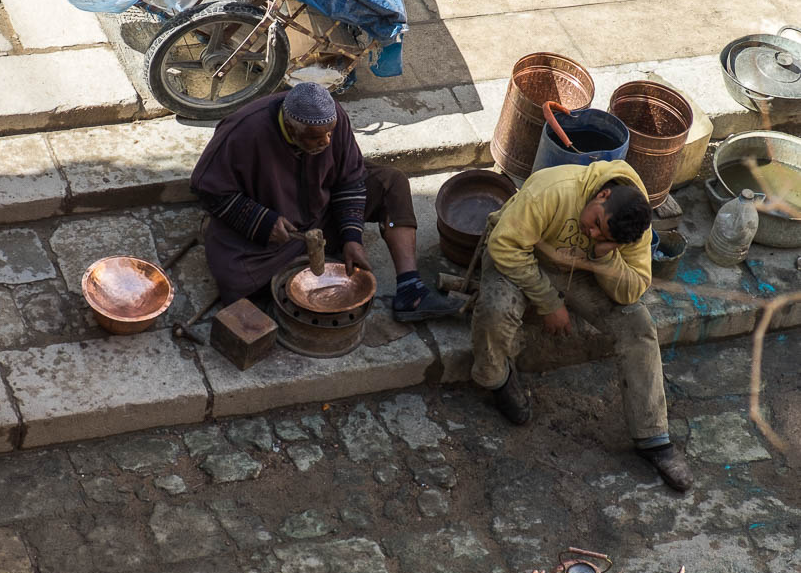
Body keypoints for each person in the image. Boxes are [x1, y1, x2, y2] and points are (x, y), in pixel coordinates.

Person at [470, 160, 693, 492]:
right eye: (595, 223)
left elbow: (633, 290)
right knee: (496, 307)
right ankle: (498, 380)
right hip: (521, 256)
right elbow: (505, 245)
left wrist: (606, 256)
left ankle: (653, 439)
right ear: (602, 195)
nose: (593, 233)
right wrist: (548, 301)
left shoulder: (634, 226)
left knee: (638, 325)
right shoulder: (553, 190)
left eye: (604, 234)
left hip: (580, 272)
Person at [190, 82, 462, 321]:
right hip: (275, 234)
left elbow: (350, 178)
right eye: (315, 137)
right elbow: (206, 187)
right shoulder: (243, 131)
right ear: (290, 128)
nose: (326, 141)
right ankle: (296, 261)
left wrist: (353, 236)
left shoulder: (333, 118)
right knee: (234, 279)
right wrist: (262, 222)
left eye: (329, 133)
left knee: (392, 182)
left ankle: (410, 289)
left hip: (323, 209)